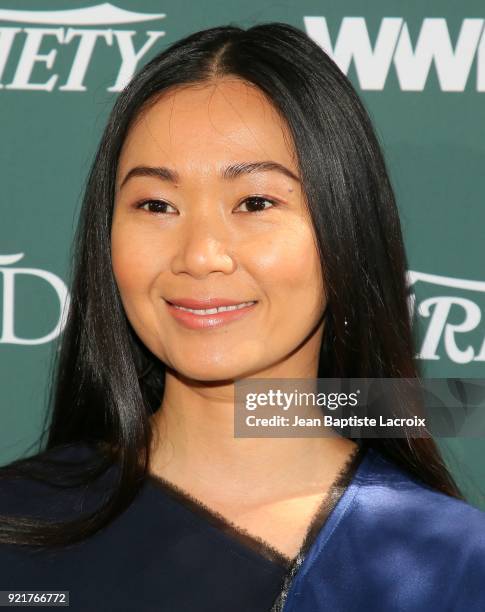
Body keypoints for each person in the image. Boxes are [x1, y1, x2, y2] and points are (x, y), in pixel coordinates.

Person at [0, 22, 484, 612]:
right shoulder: (17, 522)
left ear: (346, 227)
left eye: (255, 203)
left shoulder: (451, 566)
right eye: (156, 205)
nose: (200, 255)